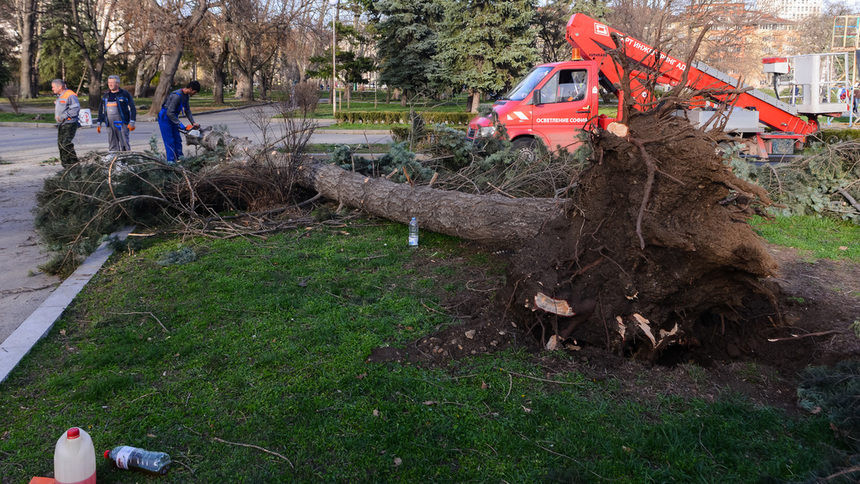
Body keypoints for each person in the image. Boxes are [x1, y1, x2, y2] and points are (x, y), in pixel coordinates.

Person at [157, 80, 201, 163]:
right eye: (194, 92)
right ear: (190, 89)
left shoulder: (186, 96)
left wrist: (193, 123)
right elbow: (169, 113)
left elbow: (187, 110)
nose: (194, 94)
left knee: (177, 139)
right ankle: (171, 162)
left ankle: (180, 159)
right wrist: (180, 124)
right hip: (165, 117)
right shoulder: (176, 96)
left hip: (173, 117)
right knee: (169, 141)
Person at [97, 75, 137, 152]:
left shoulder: (124, 94)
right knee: (112, 143)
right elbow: (101, 110)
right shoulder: (106, 96)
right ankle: (113, 160)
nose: (110, 84)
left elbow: (132, 108)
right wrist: (99, 122)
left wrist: (132, 121)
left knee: (124, 143)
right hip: (109, 124)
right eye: (109, 82)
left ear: (117, 84)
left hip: (122, 123)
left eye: (112, 82)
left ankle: (125, 159)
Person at [52, 79, 80, 167]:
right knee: (61, 144)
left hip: (69, 123)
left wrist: (63, 117)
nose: (52, 89)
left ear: (59, 87)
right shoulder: (61, 95)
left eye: (53, 87)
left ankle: (74, 165)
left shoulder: (70, 95)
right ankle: (66, 166)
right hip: (62, 124)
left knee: (65, 144)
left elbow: (75, 109)